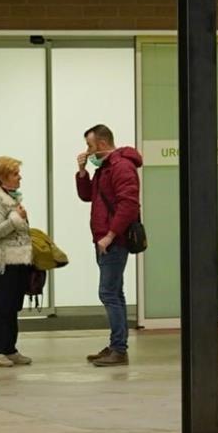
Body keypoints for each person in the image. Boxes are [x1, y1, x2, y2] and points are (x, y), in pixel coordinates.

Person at [75, 124, 143, 367]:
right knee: (116, 293)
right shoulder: (105, 168)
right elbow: (88, 196)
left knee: (107, 293)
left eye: (90, 146)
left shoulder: (121, 166)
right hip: (104, 239)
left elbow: (128, 205)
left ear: (102, 144)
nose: (88, 150)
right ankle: (117, 345)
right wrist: (82, 172)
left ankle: (119, 349)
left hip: (113, 241)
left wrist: (111, 235)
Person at [0, 156, 34, 367]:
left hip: (18, 260)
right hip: (2, 262)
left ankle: (10, 349)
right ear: (3, 177)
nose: (20, 177)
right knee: (1, 306)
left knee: (13, 306)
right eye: (15, 174)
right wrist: (16, 219)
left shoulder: (13, 198)